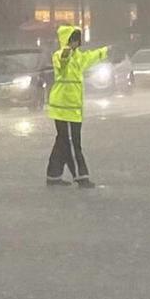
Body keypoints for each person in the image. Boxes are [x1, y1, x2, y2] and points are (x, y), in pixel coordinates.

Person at [46, 25, 108, 189]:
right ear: (67, 40)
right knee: (73, 143)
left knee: (62, 142)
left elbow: (91, 56)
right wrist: (66, 51)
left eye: (77, 40)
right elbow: (62, 61)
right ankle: (81, 176)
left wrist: (105, 52)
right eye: (73, 39)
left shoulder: (79, 57)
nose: (75, 43)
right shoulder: (59, 55)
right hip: (64, 108)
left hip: (73, 109)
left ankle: (53, 175)